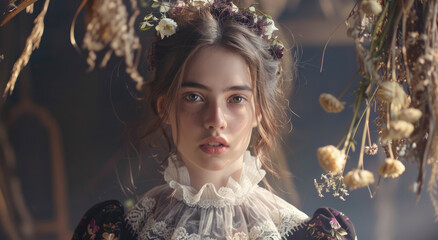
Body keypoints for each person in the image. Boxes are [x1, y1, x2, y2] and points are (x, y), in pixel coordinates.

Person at [72, 1, 356, 239]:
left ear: (258, 110)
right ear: (165, 107)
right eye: (194, 97)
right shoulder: (114, 232)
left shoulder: (309, 234)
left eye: (236, 99)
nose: (215, 120)